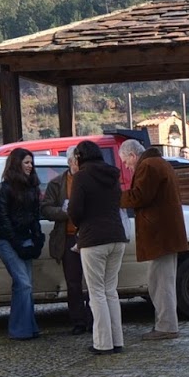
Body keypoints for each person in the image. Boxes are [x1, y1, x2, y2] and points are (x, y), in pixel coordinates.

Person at [120, 140, 188, 340]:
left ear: (133, 155)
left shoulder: (148, 166)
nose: (127, 166)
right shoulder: (159, 163)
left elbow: (139, 196)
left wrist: (116, 198)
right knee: (162, 280)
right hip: (166, 234)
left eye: (126, 162)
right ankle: (166, 324)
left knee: (160, 282)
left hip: (160, 235)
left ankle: (166, 326)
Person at [67, 140, 128, 355]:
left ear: (80, 157)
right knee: (110, 291)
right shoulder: (112, 174)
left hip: (93, 239)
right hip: (117, 236)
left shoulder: (81, 177)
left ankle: (103, 343)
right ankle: (117, 340)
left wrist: (79, 224)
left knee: (96, 292)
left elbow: (74, 210)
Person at [0, 148, 44, 341]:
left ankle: (26, 327)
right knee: (24, 284)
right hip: (7, 240)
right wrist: (17, 243)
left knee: (24, 285)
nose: (30, 166)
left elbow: (35, 216)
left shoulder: (32, 187)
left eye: (31, 162)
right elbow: (3, 219)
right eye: (26, 162)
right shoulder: (5, 188)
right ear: (17, 164)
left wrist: (37, 239)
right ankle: (21, 329)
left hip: (25, 237)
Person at [41, 150, 91, 335]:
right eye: (77, 161)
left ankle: (94, 319)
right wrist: (64, 213)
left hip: (89, 236)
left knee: (93, 281)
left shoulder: (89, 180)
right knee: (73, 282)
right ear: (70, 162)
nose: (80, 165)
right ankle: (78, 320)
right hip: (68, 237)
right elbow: (46, 208)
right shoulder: (56, 183)